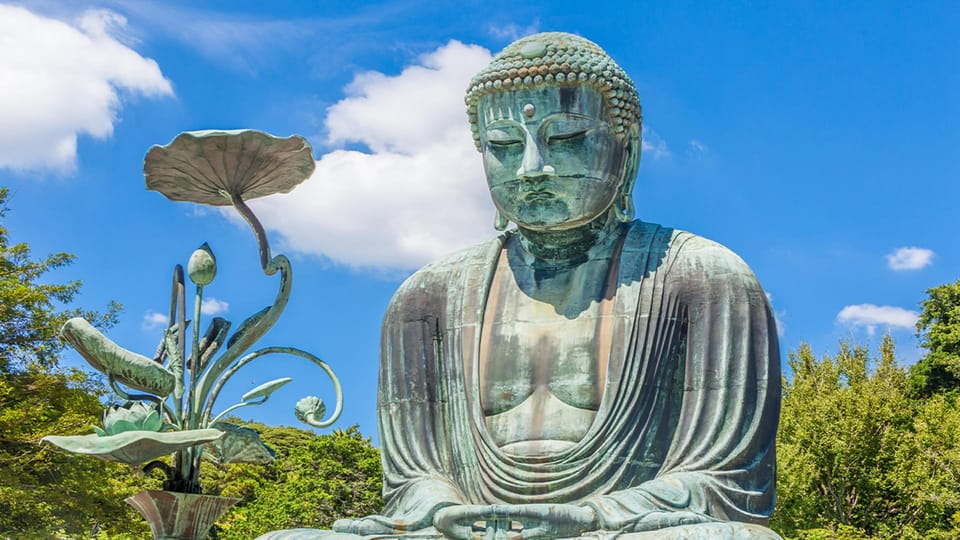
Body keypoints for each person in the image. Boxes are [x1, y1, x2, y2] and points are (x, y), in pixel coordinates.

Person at [262, 32, 781, 540]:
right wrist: (443, 510)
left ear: (627, 149)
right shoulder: (427, 297)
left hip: (620, 529)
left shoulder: (704, 277)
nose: (531, 168)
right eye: (504, 145)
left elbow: (728, 483)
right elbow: (411, 482)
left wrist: (592, 516)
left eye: (566, 138)